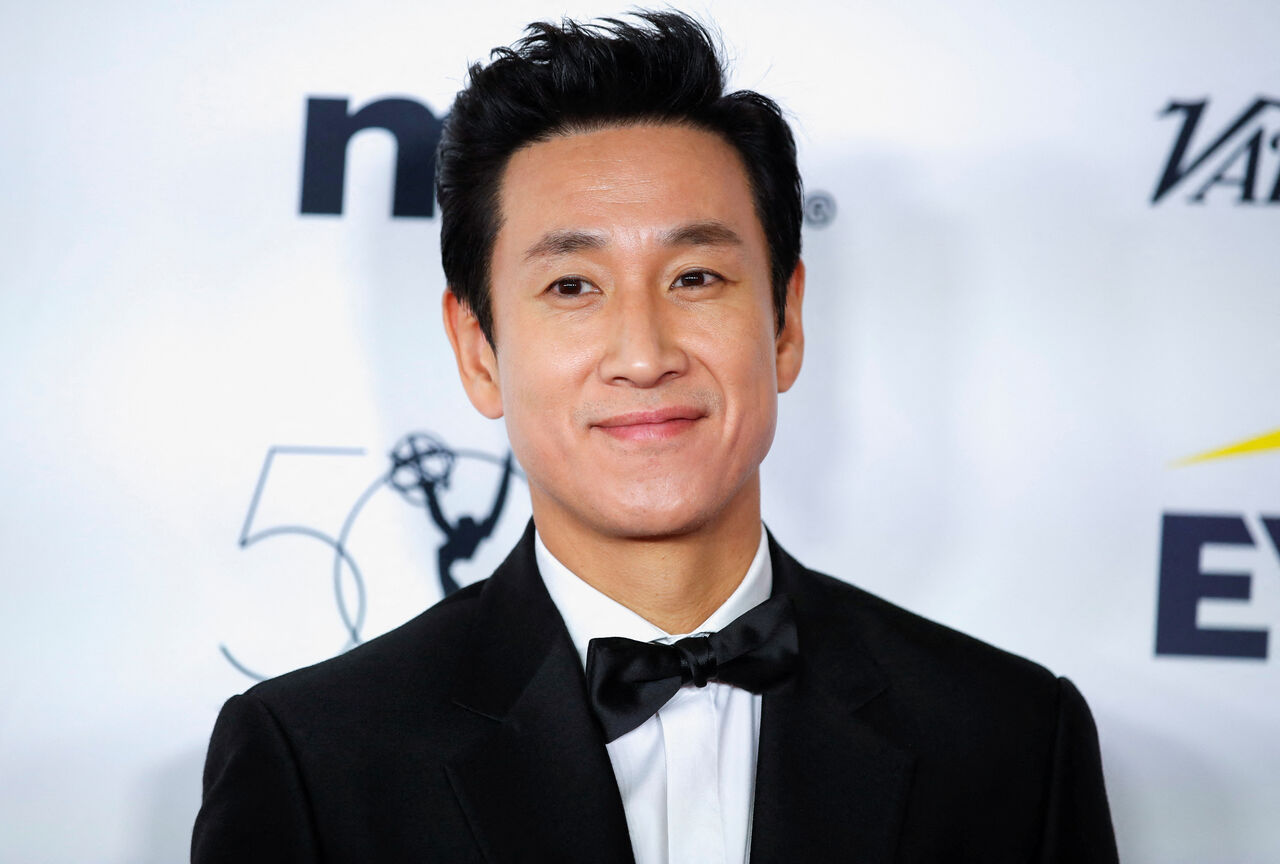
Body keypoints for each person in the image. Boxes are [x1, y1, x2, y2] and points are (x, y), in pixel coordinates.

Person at [192, 11, 1119, 863]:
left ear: (786, 323)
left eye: (696, 278)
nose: (643, 356)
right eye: (572, 287)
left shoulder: (1011, 739)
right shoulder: (315, 760)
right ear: (478, 352)